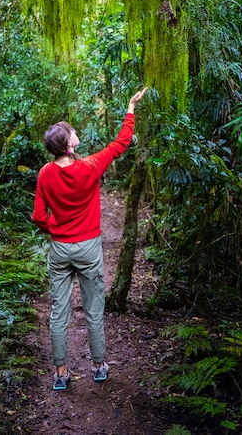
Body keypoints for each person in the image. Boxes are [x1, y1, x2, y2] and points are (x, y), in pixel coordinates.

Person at [32, 87, 148, 391]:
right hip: (88, 248)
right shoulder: (90, 166)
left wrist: (54, 230)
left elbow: (38, 216)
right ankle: (98, 366)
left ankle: (60, 373)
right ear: (68, 144)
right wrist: (131, 108)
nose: (75, 132)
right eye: (72, 132)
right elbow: (121, 143)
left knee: (59, 312)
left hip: (60, 249)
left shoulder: (45, 173)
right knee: (94, 310)